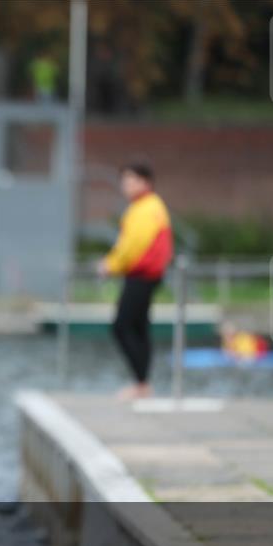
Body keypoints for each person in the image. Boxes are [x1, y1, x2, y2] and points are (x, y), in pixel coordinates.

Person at [97, 163, 173, 401]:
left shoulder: (145, 208)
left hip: (142, 274)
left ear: (146, 182)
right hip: (146, 274)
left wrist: (111, 265)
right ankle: (142, 383)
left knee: (122, 326)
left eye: (132, 181)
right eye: (125, 181)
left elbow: (133, 245)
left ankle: (141, 384)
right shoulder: (147, 206)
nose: (126, 186)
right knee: (139, 328)